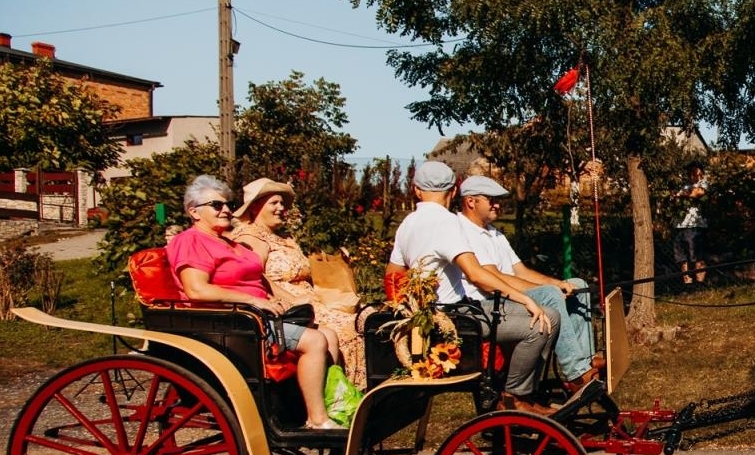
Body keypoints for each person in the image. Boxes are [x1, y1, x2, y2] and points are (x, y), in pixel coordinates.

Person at [166, 175, 344, 430]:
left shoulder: (228, 242)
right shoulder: (191, 241)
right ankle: (317, 420)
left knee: (328, 334)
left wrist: (278, 299)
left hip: (258, 317)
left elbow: (259, 279)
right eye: (216, 205)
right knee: (315, 340)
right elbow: (197, 290)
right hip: (232, 323)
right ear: (194, 212)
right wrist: (253, 300)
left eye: (228, 204)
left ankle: (319, 407)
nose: (226, 210)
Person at [386, 160, 558, 413]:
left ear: (416, 190)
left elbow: (393, 275)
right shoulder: (446, 222)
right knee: (544, 323)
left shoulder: (407, 224)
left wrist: (414, 306)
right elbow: (476, 274)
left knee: (546, 316)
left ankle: (519, 392)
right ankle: (515, 396)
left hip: (436, 313)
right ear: (454, 191)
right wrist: (524, 299)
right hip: (456, 317)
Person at [455, 174, 603, 393]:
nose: (498, 205)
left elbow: (520, 271)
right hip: (490, 300)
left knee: (577, 284)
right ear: (470, 201)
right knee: (551, 294)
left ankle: (586, 359)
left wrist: (559, 283)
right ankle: (575, 372)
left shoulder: (494, 233)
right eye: (491, 200)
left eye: (498, 200)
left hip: (508, 294)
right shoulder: (464, 231)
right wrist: (548, 289)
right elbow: (494, 277)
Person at [231, 177, 367, 388]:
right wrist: (293, 299)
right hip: (288, 306)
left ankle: (356, 390)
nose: (281, 208)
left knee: (363, 317)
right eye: (274, 203)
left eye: (282, 203)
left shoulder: (284, 237)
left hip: (310, 299)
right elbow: (257, 278)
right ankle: (338, 393)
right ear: (255, 206)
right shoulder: (250, 238)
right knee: (346, 328)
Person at [673, 161, 709, 285]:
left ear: (700, 171)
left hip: (695, 225)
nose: (691, 172)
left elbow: (696, 193)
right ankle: (687, 281)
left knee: (697, 256)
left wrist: (681, 195)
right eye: (689, 170)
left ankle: (700, 283)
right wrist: (679, 195)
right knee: (681, 257)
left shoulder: (703, 184)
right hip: (680, 225)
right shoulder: (684, 186)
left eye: (694, 169)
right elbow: (675, 199)